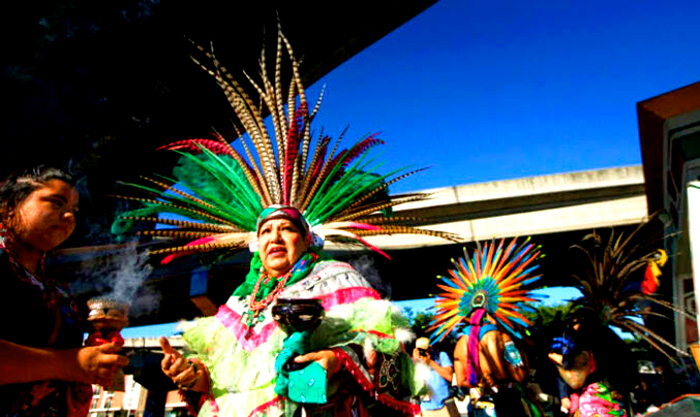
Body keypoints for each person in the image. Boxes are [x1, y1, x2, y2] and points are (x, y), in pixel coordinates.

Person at [112, 28, 456, 417]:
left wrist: (335, 359)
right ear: (255, 245)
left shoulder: (336, 279)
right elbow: (224, 387)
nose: (274, 236)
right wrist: (191, 375)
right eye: (266, 231)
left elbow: (394, 366)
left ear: (308, 240)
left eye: (286, 228)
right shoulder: (240, 303)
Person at [0, 166, 129, 417]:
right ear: (9, 205)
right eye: (56, 203)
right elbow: (66, 363)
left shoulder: (59, 294)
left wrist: (98, 348)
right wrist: (68, 363)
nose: (68, 215)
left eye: (73, 211)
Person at [428, 238, 545, 417]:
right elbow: (519, 374)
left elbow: (460, 381)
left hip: (479, 408)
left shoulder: (460, 343)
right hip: (507, 404)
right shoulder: (503, 338)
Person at [413, 337, 458, 417]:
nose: (423, 353)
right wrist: (415, 361)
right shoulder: (415, 361)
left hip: (445, 406)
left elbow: (449, 376)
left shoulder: (441, 356)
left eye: (425, 350)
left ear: (430, 348)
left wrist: (430, 362)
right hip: (425, 409)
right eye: (420, 350)